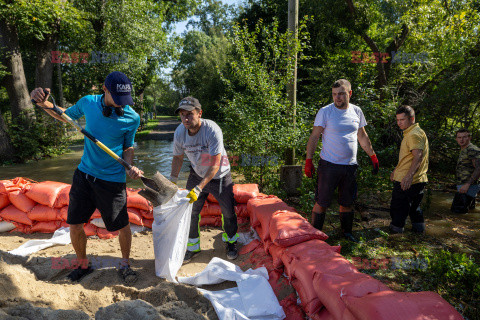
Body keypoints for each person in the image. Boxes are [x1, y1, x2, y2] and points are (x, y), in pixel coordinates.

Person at [30, 71, 142, 283]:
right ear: (104, 89)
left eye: (124, 101)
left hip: (112, 180)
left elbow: (128, 145)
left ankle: (125, 265)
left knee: (122, 225)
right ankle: (83, 264)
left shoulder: (132, 117)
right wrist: (43, 103)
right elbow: (63, 115)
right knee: (75, 223)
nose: (121, 105)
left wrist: (129, 166)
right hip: (84, 175)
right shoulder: (88, 102)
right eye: (117, 100)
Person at [305, 79, 379, 242]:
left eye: (341, 94)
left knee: (347, 202)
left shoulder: (357, 111)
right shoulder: (325, 112)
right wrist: (308, 160)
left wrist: (373, 156)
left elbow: (362, 136)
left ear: (350, 94)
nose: (337, 97)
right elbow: (314, 136)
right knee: (322, 201)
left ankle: (346, 233)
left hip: (350, 166)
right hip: (329, 165)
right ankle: (315, 236)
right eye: (334, 94)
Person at [170, 97, 239, 262]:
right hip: (197, 173)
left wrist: (199, 188)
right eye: (182, 114)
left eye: (190, 114)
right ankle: (193, 247)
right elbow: (178, 158)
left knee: (228, 211)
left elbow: (215, 164)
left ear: (200, 113)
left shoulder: (212, 130)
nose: (186, 119)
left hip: (220, 175)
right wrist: (172, 180)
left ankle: (231, 242)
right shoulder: (180, 132)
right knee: (190, 211)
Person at [389, 105, 429, 233]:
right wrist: (396, 170)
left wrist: (408, 176)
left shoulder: (413, 134)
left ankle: (394, 235)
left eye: (402, 120)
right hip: (418, 179)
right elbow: (408, 157)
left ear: (412, 119)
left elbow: (418, 156)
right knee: (414, 208)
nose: (399, 123)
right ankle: (419, 231)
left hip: (408, 180)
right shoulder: (416, 131)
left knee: (398, 208)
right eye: (397, 120)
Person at [451, 128, 480, 213]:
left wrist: (467, 184)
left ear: (469, 138)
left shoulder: (472, 149)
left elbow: (479, 168)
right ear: (456, 139)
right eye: (459, 137)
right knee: (467, 212)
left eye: (464, 137)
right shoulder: (465, 149)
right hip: (465, 186)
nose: (461, 139)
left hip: (468, 186)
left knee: (457, 213)